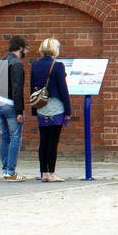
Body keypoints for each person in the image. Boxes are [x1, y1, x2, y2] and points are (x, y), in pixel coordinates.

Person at [30, 37, 71, 182]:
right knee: (53, 140)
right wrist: (68, 110)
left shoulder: (35, 65)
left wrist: (34, 109)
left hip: (41, 107)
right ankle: (51, 173)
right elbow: (63, 89)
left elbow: (31, 89)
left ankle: (43, 173)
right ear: (55, 49)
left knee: (44, 140)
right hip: (55, 106)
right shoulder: (58, 66)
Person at [0, 36, 29, 181]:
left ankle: (5, 169)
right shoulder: (17, 64)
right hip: (10, 104)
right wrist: (19, 111)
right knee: (15, 137)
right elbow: (17, 89)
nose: (26, 51)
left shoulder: (0, 61)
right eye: (26, 48)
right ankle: (10, 171)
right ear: (20, 48)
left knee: (4, 136)